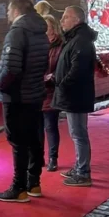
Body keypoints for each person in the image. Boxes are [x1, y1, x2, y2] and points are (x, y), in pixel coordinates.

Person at [0, 0, 49, 202]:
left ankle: (19, 187)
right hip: (34, 92)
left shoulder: (17, 32)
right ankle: (33, 182)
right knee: (33, 138)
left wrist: (0, 87)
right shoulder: (41, 31)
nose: (7, 14)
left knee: (18, 140)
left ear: (16, 10)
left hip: (16, 95)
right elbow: (44, 63)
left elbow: (12, 67)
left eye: (9, 10)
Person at [54, 6, 97, 187]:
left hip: (76, 94)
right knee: (76, 133)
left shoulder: (80, 41)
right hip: (74, 93)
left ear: (77, 20)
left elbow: (77, 70)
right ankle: (79, 166)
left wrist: (62, 84)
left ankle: (83, 172)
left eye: (66, 17)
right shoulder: (75, 39)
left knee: (78, 133)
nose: (62, 21)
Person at [41, 15, 64, 172]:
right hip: (37, 89)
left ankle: (53, 157)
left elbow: (62, 67)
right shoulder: (37, 43)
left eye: (47, 26)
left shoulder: (60, 45)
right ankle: (38, 155)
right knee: (37, 126)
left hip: (51, 90)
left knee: (50, 125)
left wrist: (52, 76)